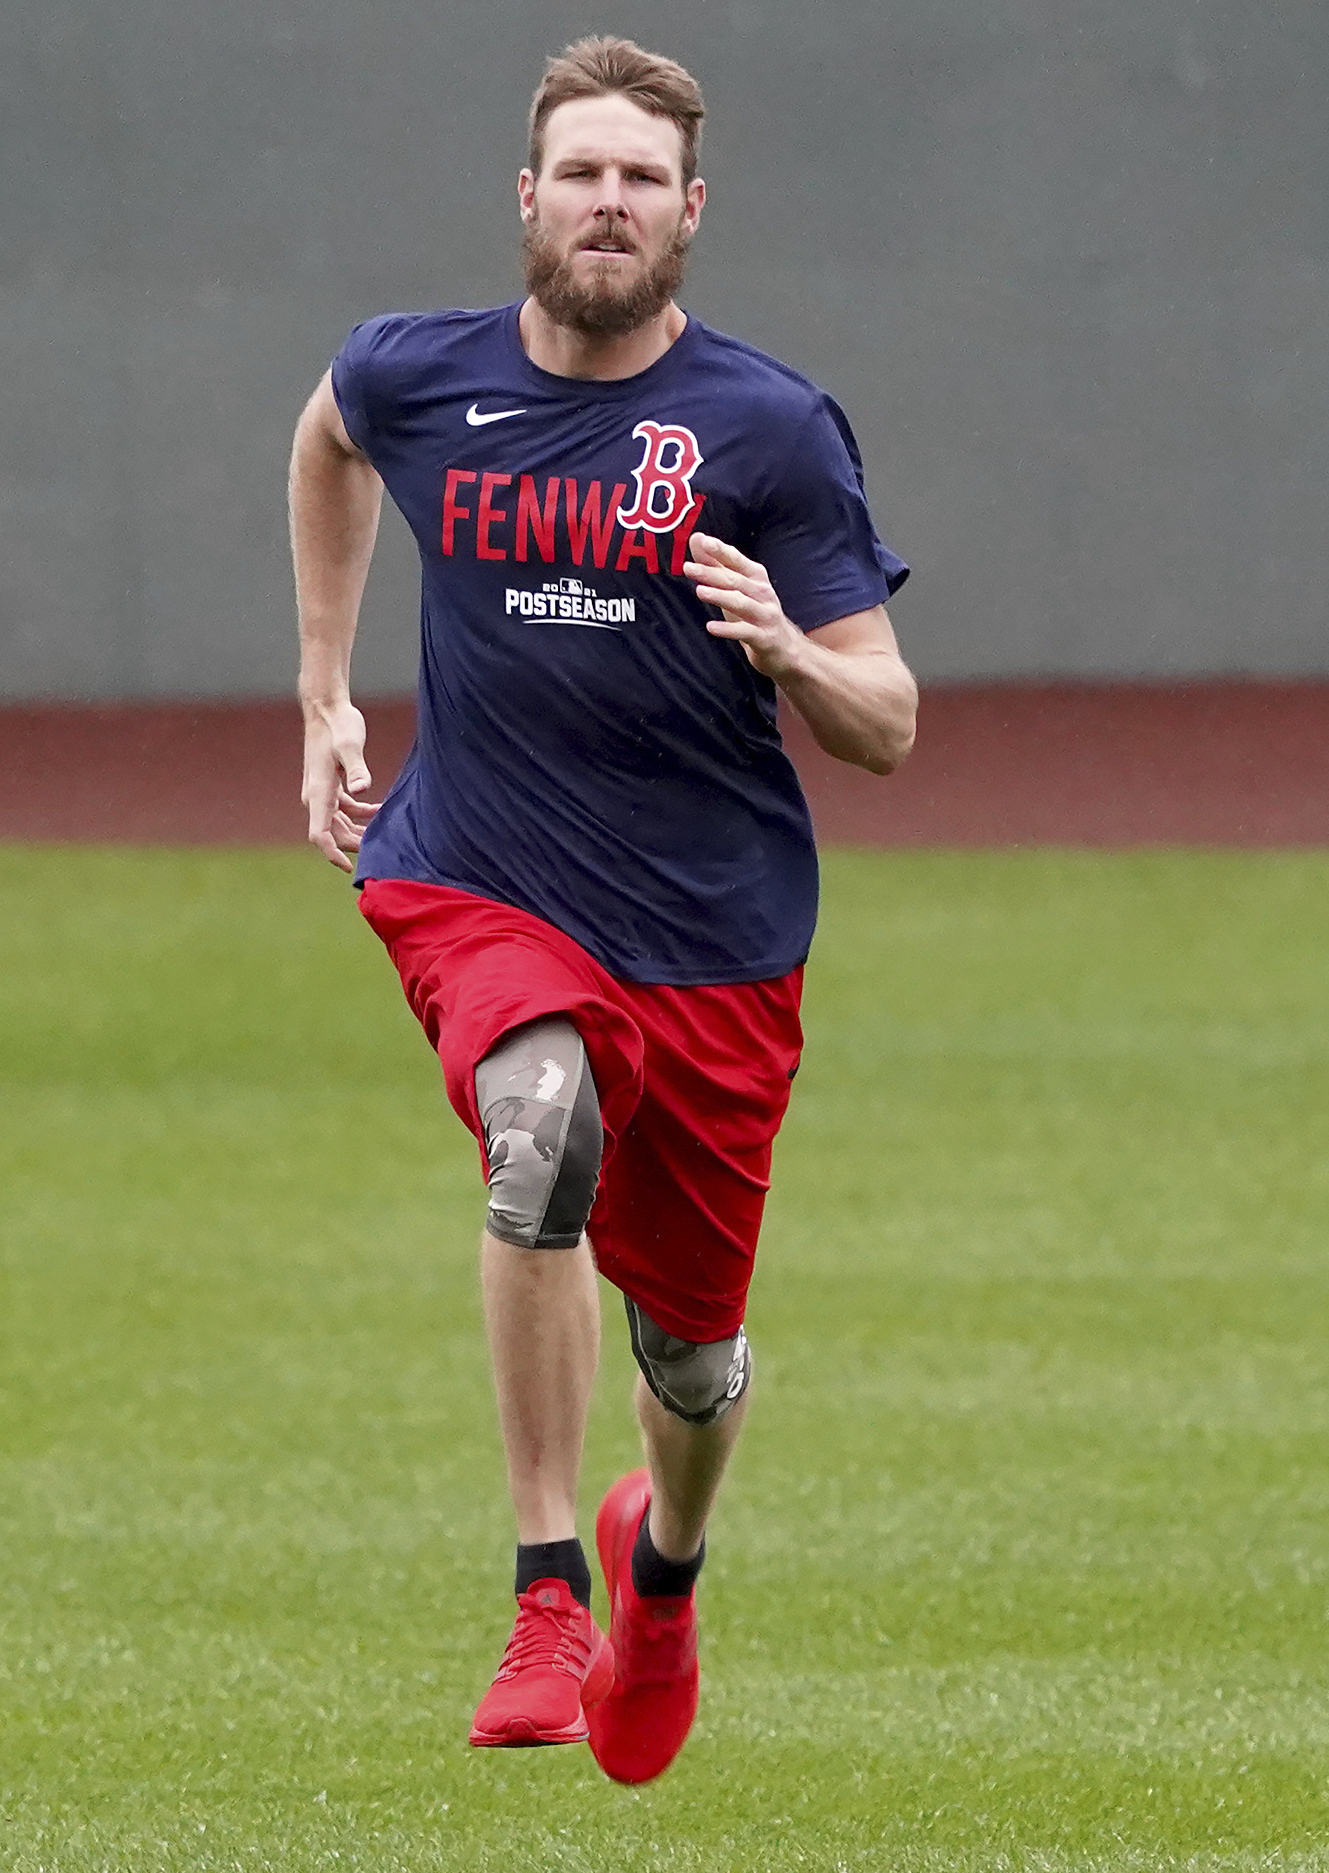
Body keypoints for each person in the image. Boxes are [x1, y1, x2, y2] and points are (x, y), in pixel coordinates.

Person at [285, 34, 915, 1785]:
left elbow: (892, 723)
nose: (610, 203)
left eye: (644, 178)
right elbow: (330, 437)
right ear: (529, 199)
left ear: (691, 211)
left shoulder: (768, 430)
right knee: (536, 1127)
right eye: (583, 173)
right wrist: (328, 689)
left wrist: (789, 647)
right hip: (477, 875)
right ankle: (547, 1584)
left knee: (697, 1359)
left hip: (713, 944)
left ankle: (666, 1571)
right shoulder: (420, 375)